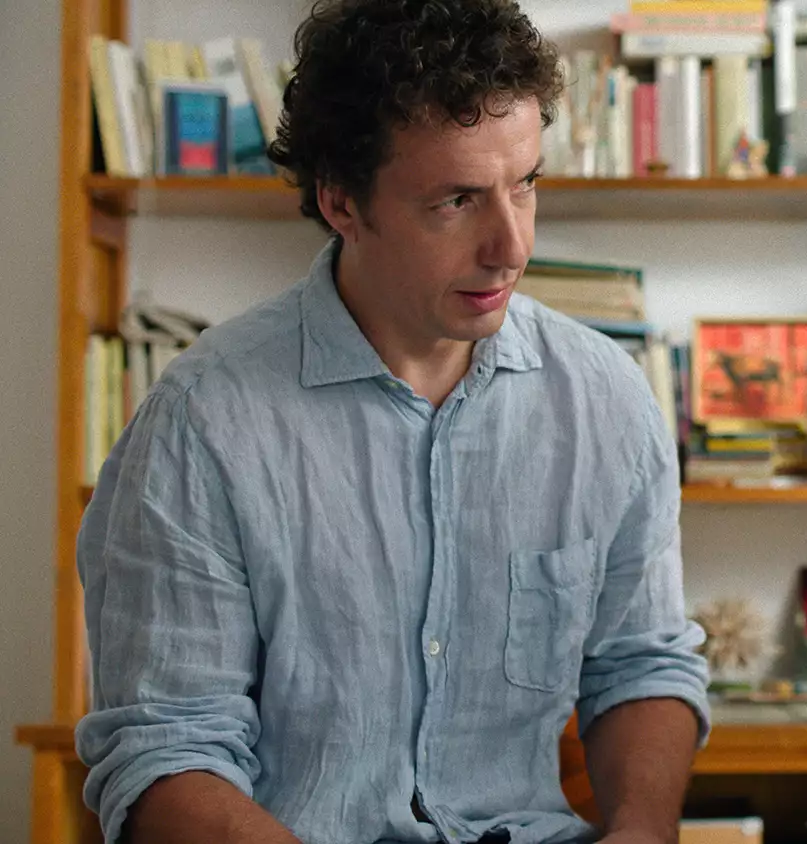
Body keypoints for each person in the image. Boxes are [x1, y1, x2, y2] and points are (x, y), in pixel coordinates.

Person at [74, 2, 710, 843]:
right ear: (342, 202)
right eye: (457, 200)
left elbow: (641, 664)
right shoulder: (202, 423)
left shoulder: (606, 398)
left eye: (525, 185)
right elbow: (167, 747)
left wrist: (642, 830)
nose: (511, 246)